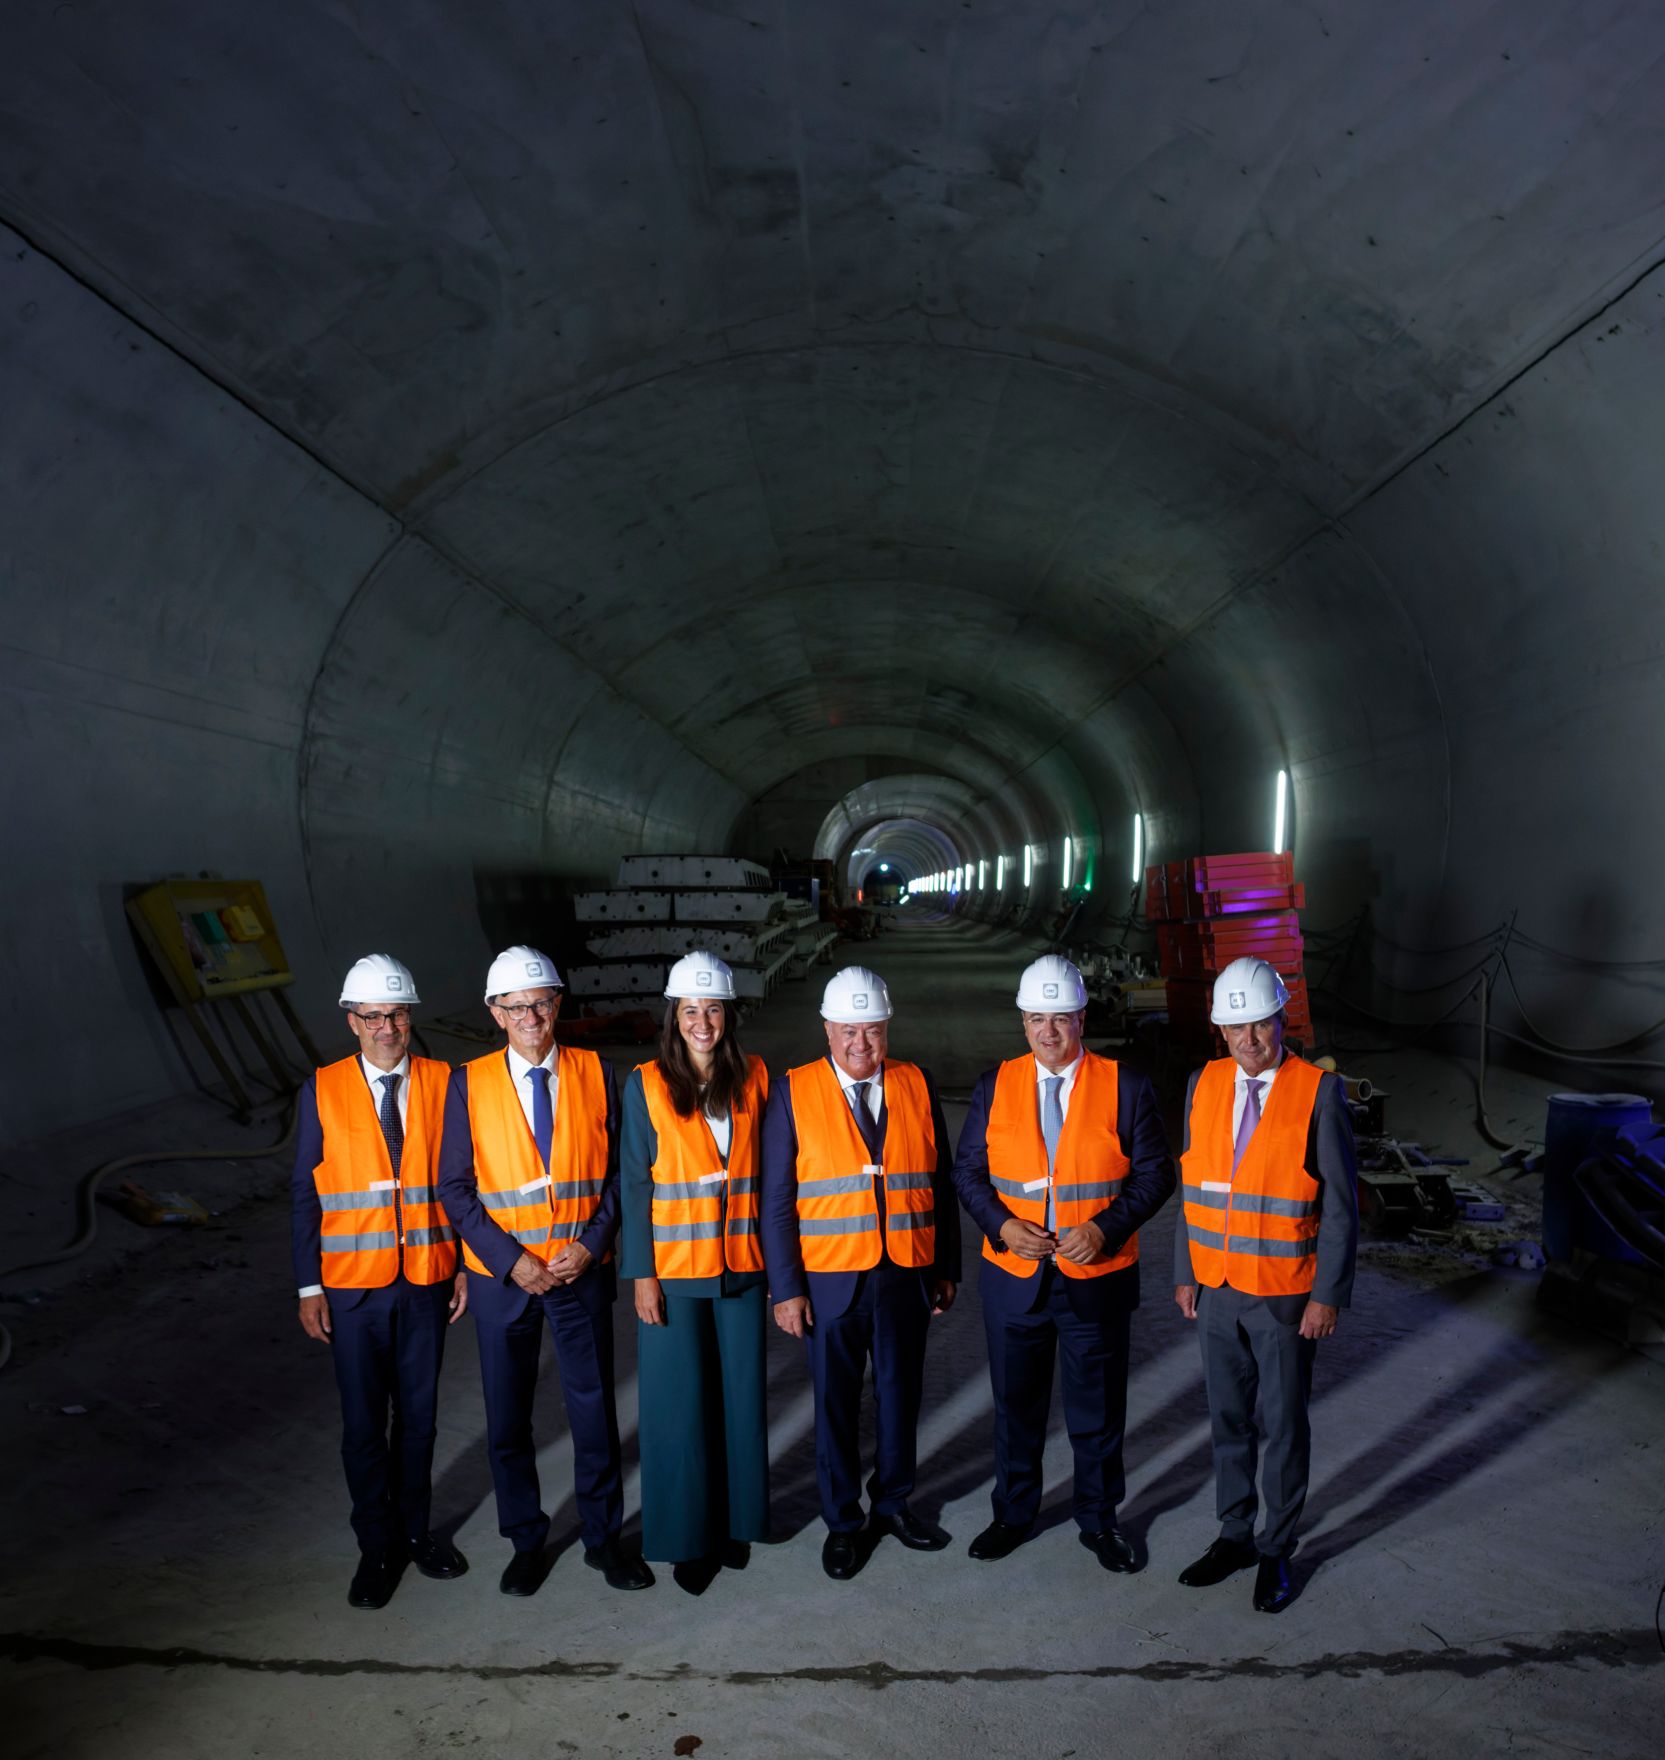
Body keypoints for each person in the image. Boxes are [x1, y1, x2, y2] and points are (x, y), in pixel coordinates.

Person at [436, 944, 652, 1596]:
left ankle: (602, 1539)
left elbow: (621, 1174)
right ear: (494, 1013)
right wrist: (510, 1263)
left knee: (591, 1413)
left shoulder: (597, 1072)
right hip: (508, 1285)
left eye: (541, 1002)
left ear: (558, 1005)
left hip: (577, 1273)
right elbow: (453, 1187)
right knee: (508, 1418)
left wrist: (591, 1244)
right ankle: (526, 1541)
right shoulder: (466, 1083)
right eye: (516, 1006)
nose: (531, 1015)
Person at [952, 955, 1175, 1569]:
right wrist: (1001, 1227)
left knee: (1097, 1411)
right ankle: (1013, 1514)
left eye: (1062, 1019)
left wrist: (1105, 1228)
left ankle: (1100, 1521)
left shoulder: (1125, 1085)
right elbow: (967, 1171)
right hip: (1015, 1277)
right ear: (1022, 1022)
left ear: (1083, 1019)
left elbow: (1158, 1174)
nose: (1049, 1033)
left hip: (1095, 1279)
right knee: (1015, 1409)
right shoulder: (995, 1084)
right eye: (1036, 1019)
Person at [760, 965, 961, 1581]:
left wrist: (945, 1265)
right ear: (827, 1029)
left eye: (872, 1032)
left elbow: (939, 1182)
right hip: (830, 1281)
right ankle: (844, 1522)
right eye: (848, 1031)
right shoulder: (794, 1091)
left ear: (886, 1029)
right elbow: (775, 1202)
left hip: (904, 1273)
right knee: (836, 1404)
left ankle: (895, 1504)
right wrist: (787, 1289)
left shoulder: (916, 1082)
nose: (860, 1046)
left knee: (900, 1396)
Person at [1173, 956, 1359, 1613]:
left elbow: (1340, 1203)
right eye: (1235, 1029)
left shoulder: (1317, 1092)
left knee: (1280, 1426)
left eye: (1260, 1025)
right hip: (1218, 1288)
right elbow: (1195, 1182)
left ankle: (1276, 1548)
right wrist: (1185, 1270)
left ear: (1281, 1021)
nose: (1249, 1041)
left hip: (1283, 1293)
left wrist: (1327, 1294)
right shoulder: (1204, 1083)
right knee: (1227, 1421)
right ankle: (1233, 1535)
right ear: (1217, 1031)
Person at [291, 954, 468, 1609]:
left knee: (418, 1421)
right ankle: (378, 1546)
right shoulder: (323, 1088)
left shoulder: (443, 1081)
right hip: (353, 1290)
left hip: (424, 1279)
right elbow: (305, 1194)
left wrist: (463, 1268)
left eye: (396, 1014)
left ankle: (417, 1534)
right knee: (364, 1426)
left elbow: (460, 1185)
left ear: (409, 1015)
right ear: (351, 1020)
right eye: (371, 1016)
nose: (386, 1027)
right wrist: (309, 1286)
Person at [618, 951, 771, 1592]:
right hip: (675, 1274)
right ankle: (686, 1539)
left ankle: (735, 1524)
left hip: (741, 1266)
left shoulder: (758, 1076)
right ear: (672, 1018)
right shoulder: (646, 1083)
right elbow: (633, 1183)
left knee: (739, 1402)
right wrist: (641, 1274)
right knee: (678, 1408)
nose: (702, 1022)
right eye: (689, 1011)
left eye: (712, 1009)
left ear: (728, 1014)